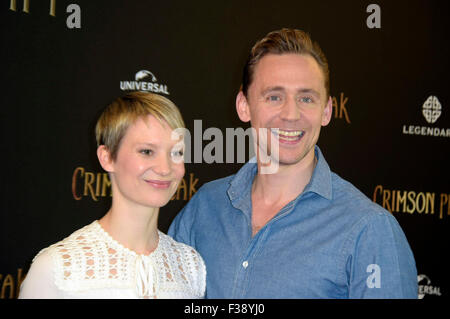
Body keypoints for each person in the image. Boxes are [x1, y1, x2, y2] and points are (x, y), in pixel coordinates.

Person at [168, 28, 418, 298]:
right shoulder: (205, 208)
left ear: (326, 111)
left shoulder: (370, 230)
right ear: (244, 105)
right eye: (274, 97)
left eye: (306, 98)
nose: (291, 114)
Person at [19, 92, 206, 298]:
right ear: (107, 158)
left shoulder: (190, 266)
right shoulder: (56, 268)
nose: (165, 168)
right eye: (146, 151)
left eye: (176, 153)